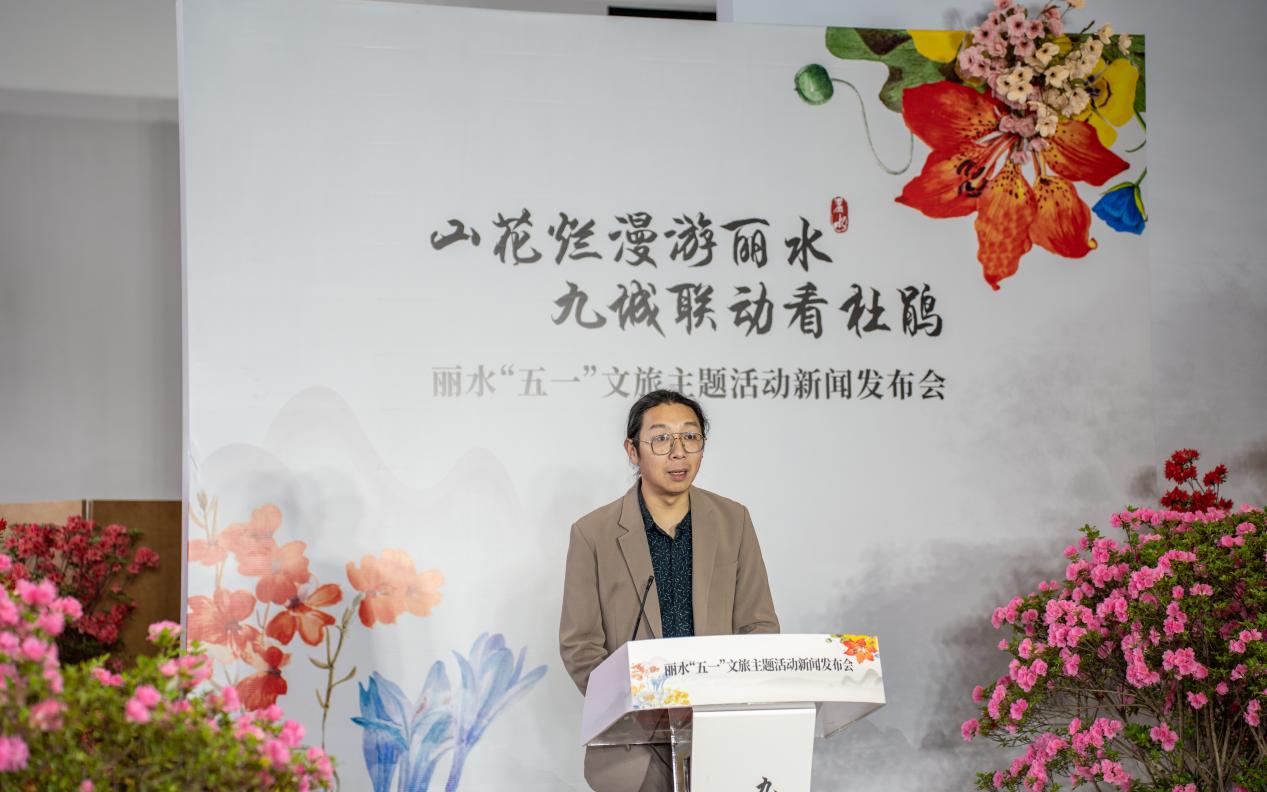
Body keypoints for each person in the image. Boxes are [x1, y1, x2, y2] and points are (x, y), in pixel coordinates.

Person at [559, 390, 780, 791]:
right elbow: (580, 646)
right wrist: (635, 705)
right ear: (633, 450)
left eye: (690, 437)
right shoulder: (593, 533)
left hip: (720, 737)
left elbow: (759, 626)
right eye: (661, 439)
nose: (678, 452)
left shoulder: (733, 521)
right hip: (634, 746)